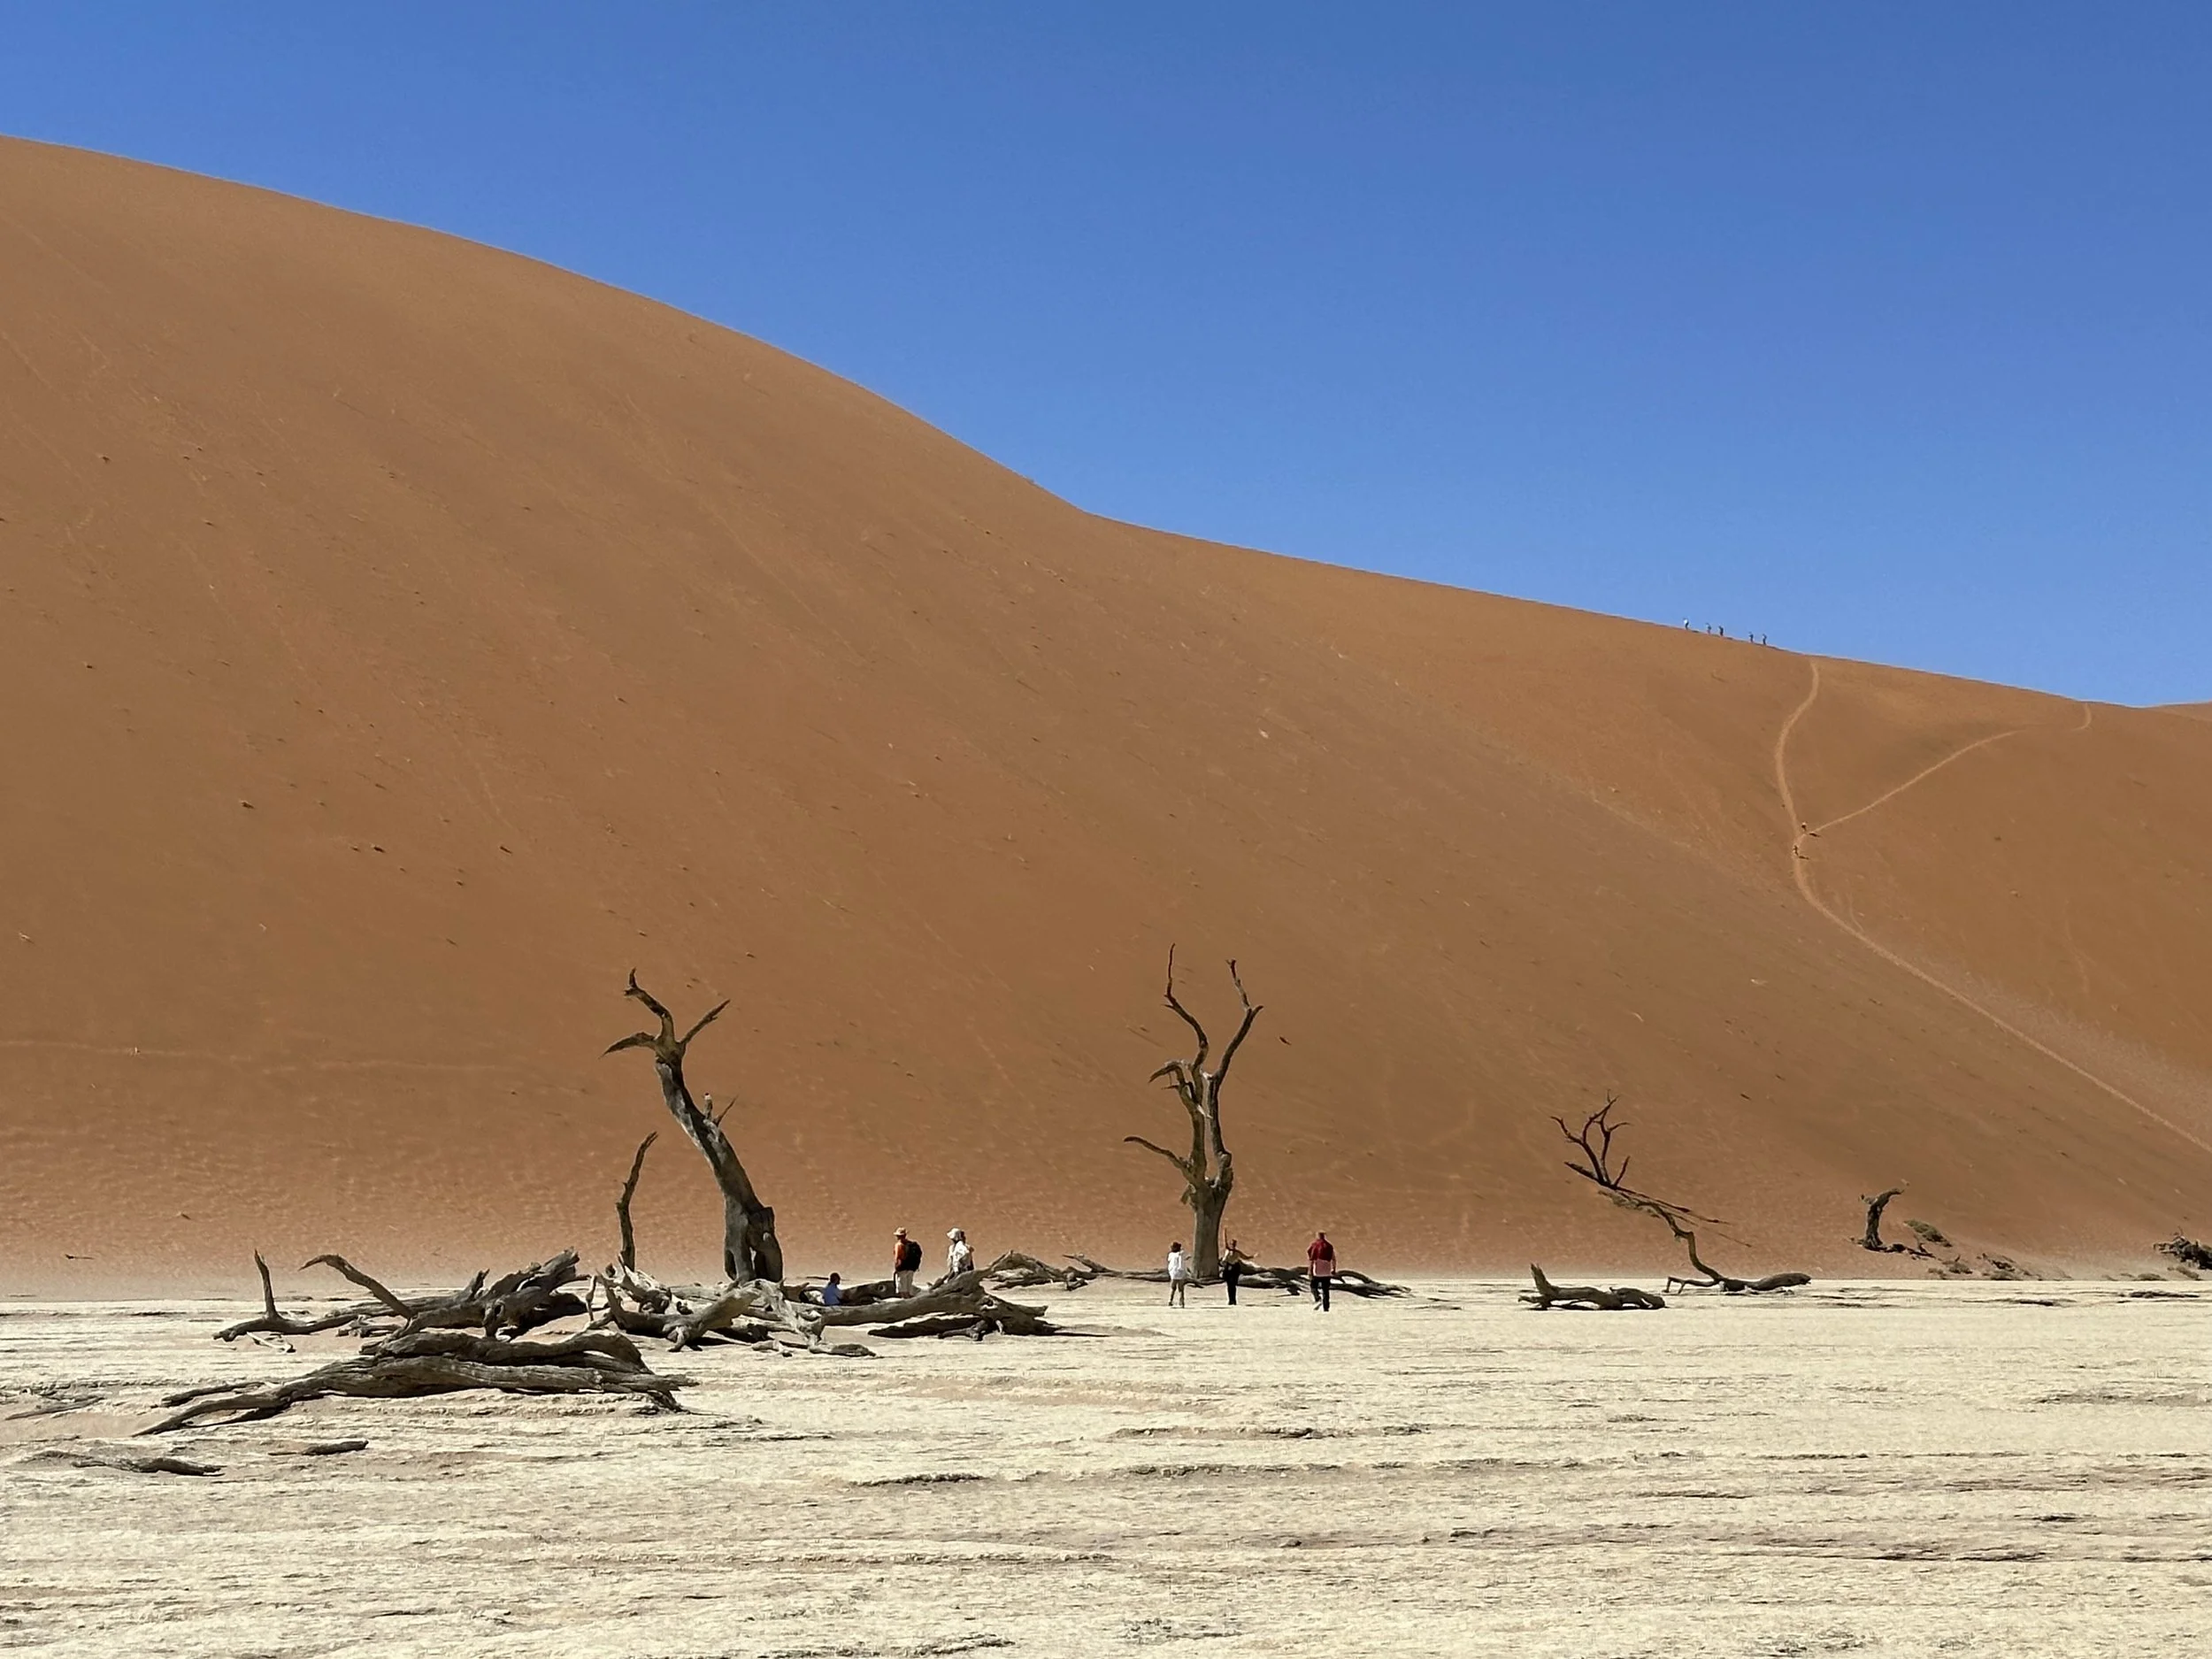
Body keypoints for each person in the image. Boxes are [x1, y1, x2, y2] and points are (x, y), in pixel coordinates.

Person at [1307, 1232, 1337, 1311]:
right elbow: (1333, 1259)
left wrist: (1310, 1270)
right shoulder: (1329, 1246)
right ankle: (1326, 1308)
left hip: (1317, 1272)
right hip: (1327, 1272)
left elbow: (1312, 1259)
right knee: (1326, 1290)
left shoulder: (1314, 1246)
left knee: (1313, 1287)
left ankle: (1318, 1298)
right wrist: (1334, 1269)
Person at [892, 1228, 921, 1297]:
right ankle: (909, 1301)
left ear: (898, 1236)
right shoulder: (911, 1244)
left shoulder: (899, 1245)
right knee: (908, 1288)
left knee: (902, 1289)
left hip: (902, 1268)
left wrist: (896, 1269)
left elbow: (898, 1257)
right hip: (911, 1268)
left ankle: (904, 1302)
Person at [1220, 1238, 1248, 1305]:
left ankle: (1234, 1300)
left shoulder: (1238, 1253)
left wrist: (1253, 1256)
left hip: (1235, 1269)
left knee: (1233, 1285)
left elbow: (1245, 1257)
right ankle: (1230, 1300)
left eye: (1234, 1244)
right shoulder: (1227, 1251)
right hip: (1228, 1269)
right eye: (1231, 1244)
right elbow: (1224, 1260)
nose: (1232, 1245)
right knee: (1229, 1285)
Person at [1166, 1241, 1189, 1307]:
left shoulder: (1171, 1255)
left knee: (1173, 1287)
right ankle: (1181, 1302)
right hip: (1180, 1273)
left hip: (1174, 1273)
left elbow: (1169, 1260)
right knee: (1180, 1289)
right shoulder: (1181, 1254)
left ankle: (1170, 1300)